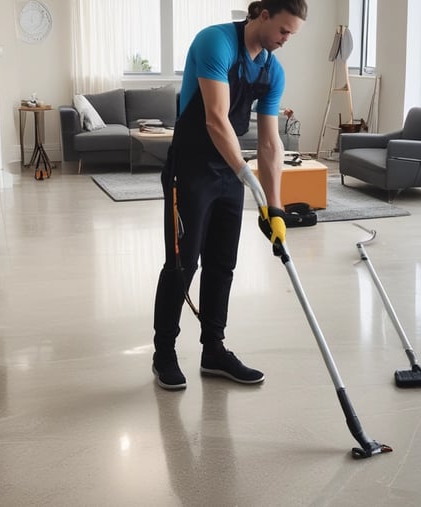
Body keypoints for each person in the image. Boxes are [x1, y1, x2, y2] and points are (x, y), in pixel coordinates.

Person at [152, 0, 308, 390]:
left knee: (223, 263)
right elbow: (215, 118)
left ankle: (213, 350)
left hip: (228, 171)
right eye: (284, 31)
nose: (286, 40)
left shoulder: (273, 71)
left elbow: (271, 144)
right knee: (182, 263)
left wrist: (274, 207)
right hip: (190, 168)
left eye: (293, 34)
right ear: (263, 14)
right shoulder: (215, 43)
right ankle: (164, 352)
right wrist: (245, 174)